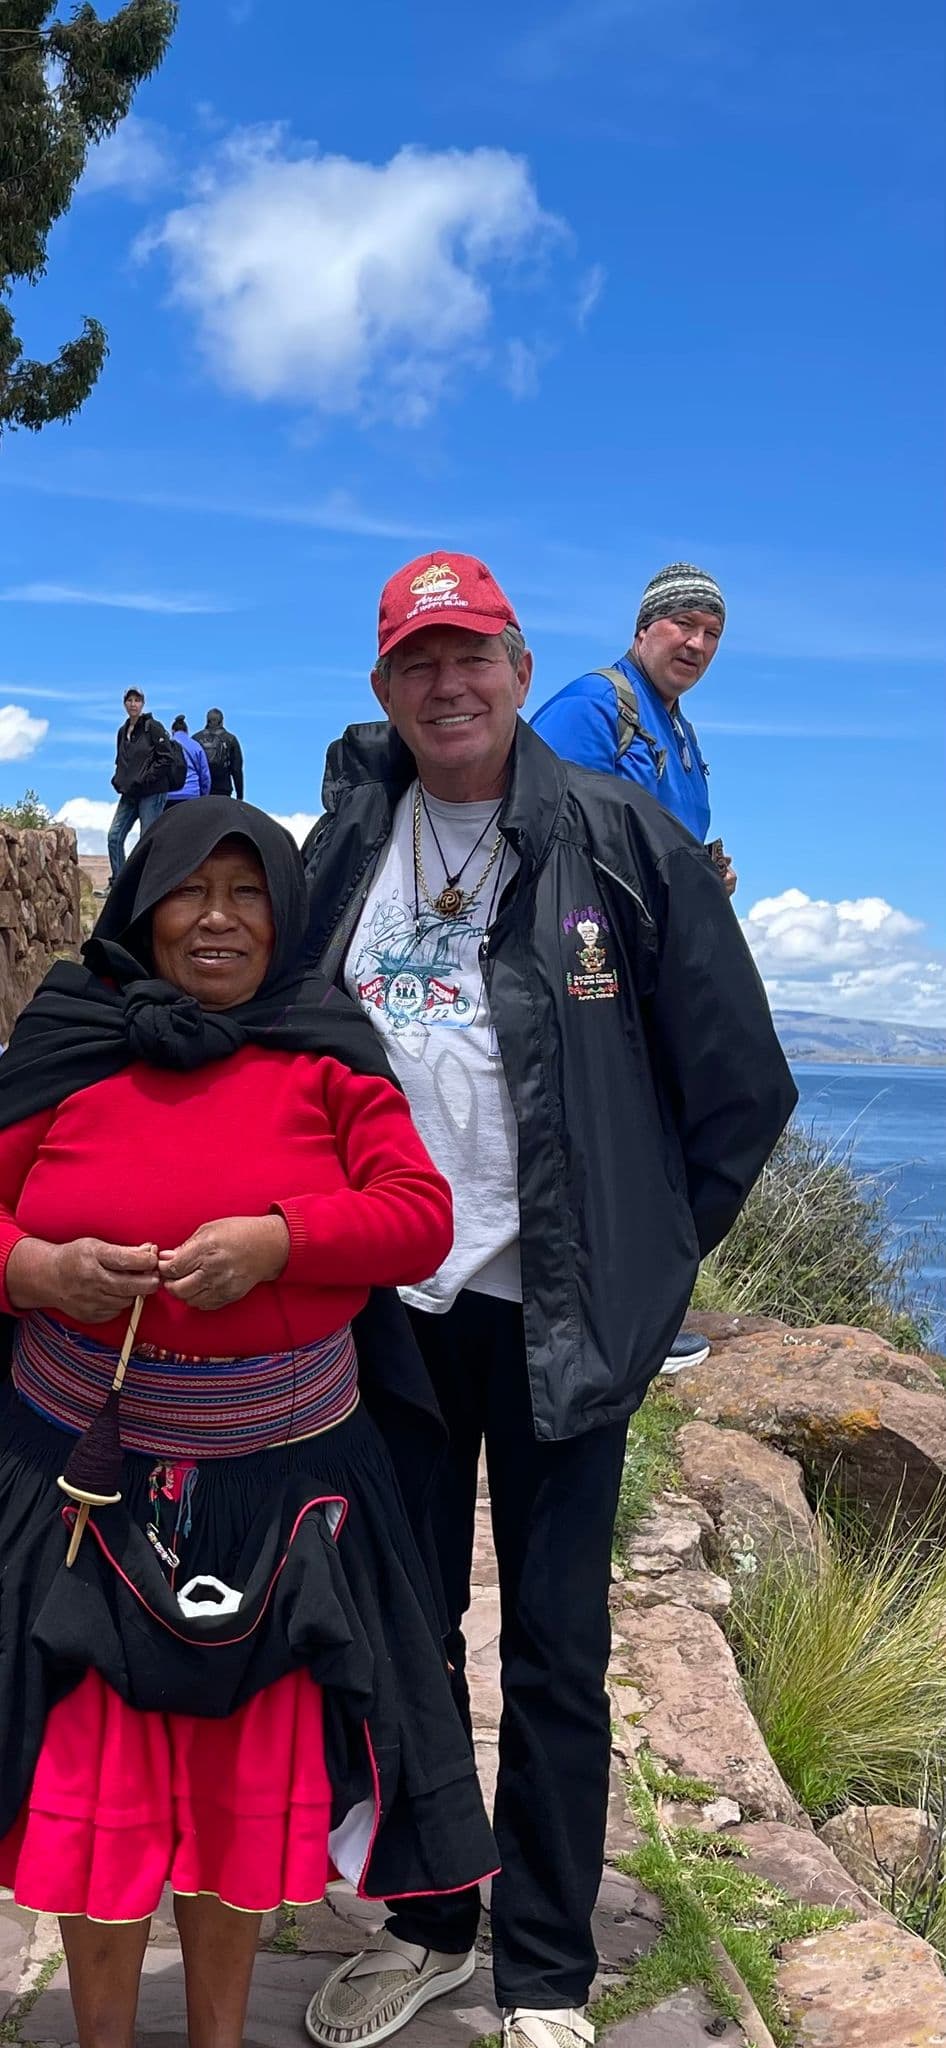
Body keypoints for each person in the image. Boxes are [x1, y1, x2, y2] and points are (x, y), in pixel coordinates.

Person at [301, 552, 797, 2048]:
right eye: (417, 663)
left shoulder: (617, 838)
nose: (448, 686)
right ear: (385, 686)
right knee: (400, 1628)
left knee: (560, 1650)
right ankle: (435, 1917)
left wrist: (647, 1268)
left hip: (558, 1312)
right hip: (384, 1309)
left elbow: (739, 1088)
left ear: (518, 668)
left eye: (473, 657)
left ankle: (544, 1968)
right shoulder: (343, 845)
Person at [0, 798, 497, 2048]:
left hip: (282, 1498)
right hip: (83, 1496)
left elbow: (417, 1218)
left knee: (238, 1796)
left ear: (287, 912)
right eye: (189, 890)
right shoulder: (67, 1041)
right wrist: (41, 1271)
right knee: (96, 1790)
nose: (218, 918)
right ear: (143, 906)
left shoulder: (326, 1048)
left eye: (248, 892)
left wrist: (283, 1238)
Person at [531, 561, 735, 1378]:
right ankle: (609, 1321)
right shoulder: (595, 705)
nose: (696, 642)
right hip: (594, 962)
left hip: (658, 962)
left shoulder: (677, 729)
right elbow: (538, 812)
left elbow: (660, 840)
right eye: (683, 623)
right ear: (644, 627)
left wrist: (703, 878)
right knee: (612, 1140)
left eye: (712, 632)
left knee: (666, 1132)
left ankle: (642, 1311)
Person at [107, 687, 173, 882]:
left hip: (152, 792)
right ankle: (120, 883)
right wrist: (118, 779)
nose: (133, 704)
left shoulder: (152, 727)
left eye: (137, 700)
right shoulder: (122, 731)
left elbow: (166, 757)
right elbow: (121, 759)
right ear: (124, 704)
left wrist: (146, 778)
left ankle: (147, 886)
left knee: (147, 839)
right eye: (130, 700)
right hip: (130, 793)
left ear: (143, 703)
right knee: (114, 837)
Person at [194, 708, 245, 799]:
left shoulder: (195, 739)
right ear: (222, 721)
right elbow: (236, 770)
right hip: (223, 789)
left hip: (201, 789)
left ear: (207, 721)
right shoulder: (231, 739)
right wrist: (240, 796)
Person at [165, 715, 211, 804]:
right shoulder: (196, 746)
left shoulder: (167, 746)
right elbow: (205, 776)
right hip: (192, 795)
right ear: (187, 731)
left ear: (173, 731)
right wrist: (204, 796)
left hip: (169, 796)